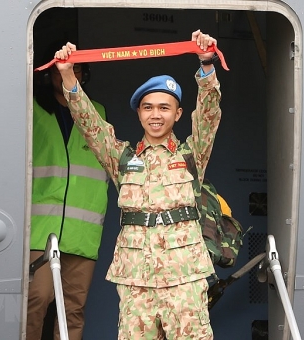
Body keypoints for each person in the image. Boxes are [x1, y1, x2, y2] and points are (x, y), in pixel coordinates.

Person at [55, 29, 222, 339]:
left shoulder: (191, 153)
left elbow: (209, 116)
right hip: (136, 280)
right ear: (138, 113)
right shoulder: (121, 157)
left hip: (184, 278)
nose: (155, 115)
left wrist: (207, 64)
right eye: (148, 107)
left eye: (164, 107)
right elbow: (91, 127)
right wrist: (68, 77)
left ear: (177, 114)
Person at [28, 41, 109, 340]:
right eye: (63, 68)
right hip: (39, 231)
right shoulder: (33, 109)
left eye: (77, 68)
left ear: (84, 73)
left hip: (82, 235)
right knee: (35, 302)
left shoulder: (97, 113)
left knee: (73, 310)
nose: (68, 73)